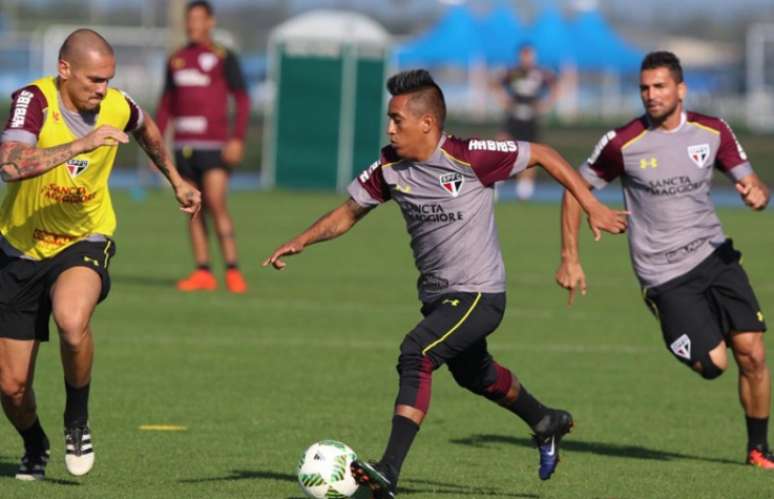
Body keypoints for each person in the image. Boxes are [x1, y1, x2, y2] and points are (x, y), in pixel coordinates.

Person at [264, 69, 628, 497]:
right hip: (438, 298)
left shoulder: (470, 156)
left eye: (397, 119)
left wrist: (590, 206)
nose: (390, 128)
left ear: (427, 123)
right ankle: (546, 421)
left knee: (415, 353)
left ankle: (389, 471)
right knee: (477, 375)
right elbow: (348, 211)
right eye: (389, 119)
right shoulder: (389, 165)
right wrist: (301, 240)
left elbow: (545, 154)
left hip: (479, 293)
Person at [0, 29, 201, 480]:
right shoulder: (33, 100)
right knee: (12, 388)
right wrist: (79, 145)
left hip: (85, 237)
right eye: (93, 79)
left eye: (108, 78)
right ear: (64, 70)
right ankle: (36, 443)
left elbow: (146, 128)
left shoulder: (118, 105)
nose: (102, 88)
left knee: (72, 321)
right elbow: (10, 164)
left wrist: (176, 179)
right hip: (20, 248)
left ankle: (77, 420)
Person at [556, 51, 773, 468]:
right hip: (664, 274)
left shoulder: (713, 131)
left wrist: (758, 194)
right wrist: (570, 257)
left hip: (716, 256)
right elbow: (573, 188)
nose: (650, 95)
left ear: (680, 89)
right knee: (715, 366)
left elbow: (751, 182)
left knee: (754, 354)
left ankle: (759, 449)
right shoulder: (623, 142)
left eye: (659, 86)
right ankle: (678, 320)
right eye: (644, 88)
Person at [156, 0, 250, 293]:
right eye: (190, 18)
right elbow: (165, 105)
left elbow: (243, 99)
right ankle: (203, 271)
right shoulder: (176, 59)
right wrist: (156, 146)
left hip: (214, 146)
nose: (193, 24)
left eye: (199, 18)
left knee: (216, 202)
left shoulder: (223, 57)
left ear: (211, 22)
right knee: (192, 206)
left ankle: (233, 270)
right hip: (184, 146)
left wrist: (237, 138)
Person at [496, 43, 558, 201]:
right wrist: (504, 100)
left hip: (531, 119)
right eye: (524, 55)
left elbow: (555, 86)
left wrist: (546, 104)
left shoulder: (540, 73)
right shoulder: (513, 72)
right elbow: (496, 84)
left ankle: (524, 190)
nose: (527, 58)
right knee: (501, 146)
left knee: (530, 151)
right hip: (514, 117)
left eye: (529, 55)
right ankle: (495, 183)